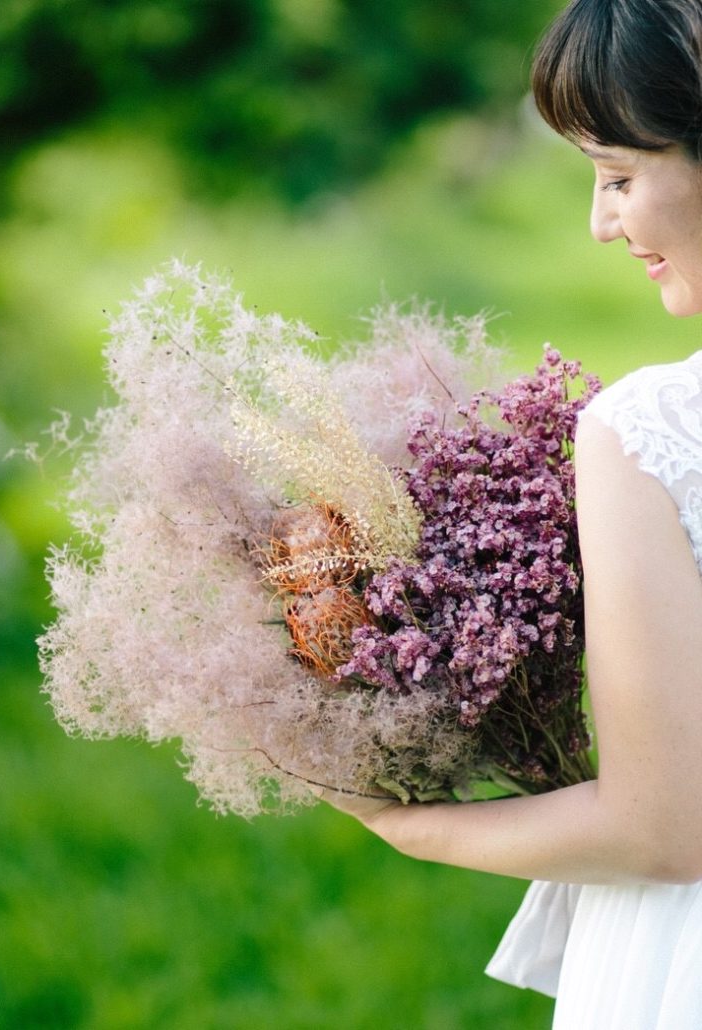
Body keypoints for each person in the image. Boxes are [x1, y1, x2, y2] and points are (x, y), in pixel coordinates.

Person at [318, 1, 702, 1025]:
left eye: (619, 176)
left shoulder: (650, 434)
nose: (600, 222)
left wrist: (412, 826)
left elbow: (661, 829)